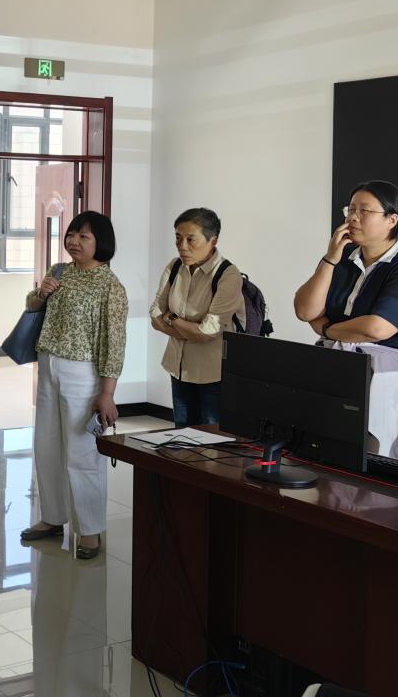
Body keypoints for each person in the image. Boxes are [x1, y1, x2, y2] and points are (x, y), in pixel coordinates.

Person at [20, 211, 126, 560]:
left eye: (84, 236)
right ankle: (52, 517)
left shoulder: (110, 286)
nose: (74, 241)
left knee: (82, 453)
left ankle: (90, 529)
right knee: (46, 445)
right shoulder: (59, 271)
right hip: (48, 364)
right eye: (71, 234)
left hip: (83, 373)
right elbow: (32, 305)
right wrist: (40, 293)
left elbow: (114, 344)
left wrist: (107, 393)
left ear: (100, 243)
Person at [293, 180, 398, 349]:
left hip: (379, 360)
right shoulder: (340, 255)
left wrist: (326, 329)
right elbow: (305, 311)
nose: (352, 218)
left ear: (392, 220)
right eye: (350, 210)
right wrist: (329, 260)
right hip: (329, 355)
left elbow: (377, 329)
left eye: (364, 211)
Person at [149, 208, 245, 427]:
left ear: (213, 241)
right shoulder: (175, 266)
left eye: (191, 239)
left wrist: (172, 318)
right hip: (178, 368)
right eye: (178, 238)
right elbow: (155, 315)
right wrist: (191, 330)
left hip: (213, 374)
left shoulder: (228, 274)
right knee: (182, 436)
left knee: (213, 439)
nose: (182, 246)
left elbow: (206, 333)